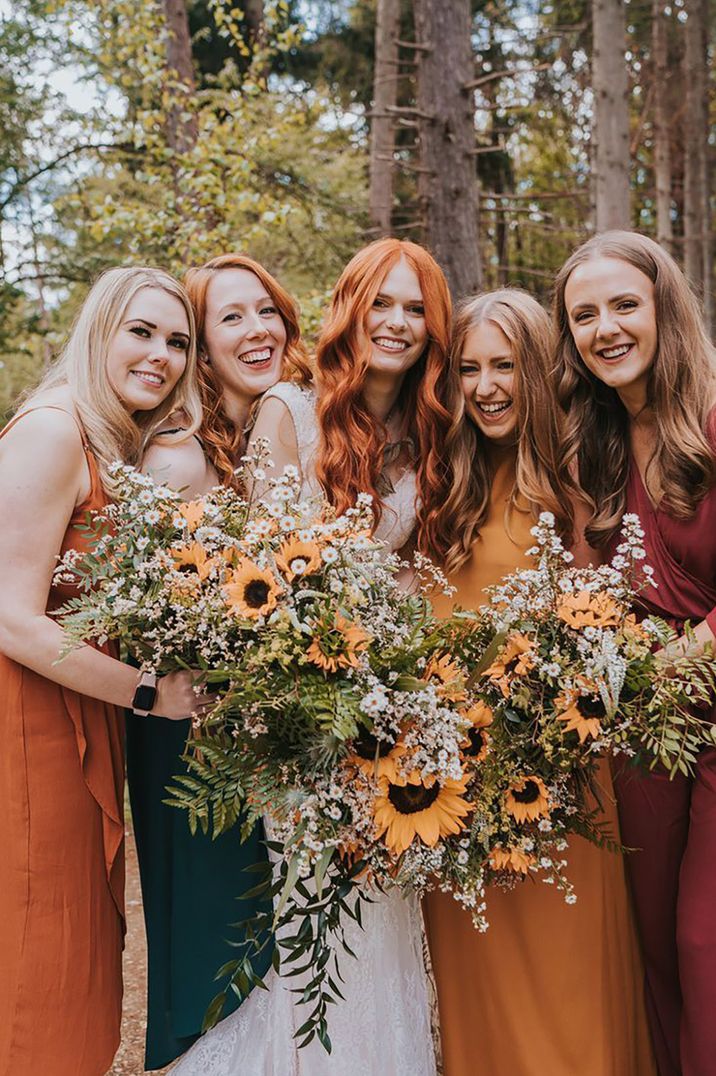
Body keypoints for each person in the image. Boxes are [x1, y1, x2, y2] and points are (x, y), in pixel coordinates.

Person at [170, 237, 453, 1076]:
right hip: (306, 717)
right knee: (315, 926)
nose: (396, 324)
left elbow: (413, 576)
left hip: (394, 717)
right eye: (382, 303)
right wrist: (329, 695)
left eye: (415, 309)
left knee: (384, 927)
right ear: (349, 308)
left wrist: (410, 691)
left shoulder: (428, 430)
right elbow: (269, 582)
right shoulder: (290, 411)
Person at [420, 288, 656, 1076]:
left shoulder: (578, 483)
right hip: (452, 788)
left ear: (540, 373)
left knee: (567, 995)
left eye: (506, 367)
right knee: (476, 995)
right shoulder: (442, 488)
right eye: (469, 368)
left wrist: (534, 734)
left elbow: (599, 635)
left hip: (552, 782)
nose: (486, 386)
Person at [0, 266, 205, 1076]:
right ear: (99, 332)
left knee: (80, 939)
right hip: (29, 725)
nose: (161, 355)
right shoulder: (52, 430)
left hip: (78, 712)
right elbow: (11, 615)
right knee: (38, 947)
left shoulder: (110, 442)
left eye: (178, 342)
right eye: (141, 331)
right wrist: (150, 693)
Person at [127, 253, 312, 1070]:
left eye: (265, 310)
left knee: (271, 934)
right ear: (201, 350)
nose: (257, 329)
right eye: (230, 318)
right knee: (219, 936)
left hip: (260, 720)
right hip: (191, 723)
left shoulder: (278, 430)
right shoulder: (178, 456)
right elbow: (169, 615)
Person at [555, 230, 716, 1076]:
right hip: (640, 733)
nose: (605, 328)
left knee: (704, 944)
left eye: (624, 305)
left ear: (664, 310)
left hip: (709, 711)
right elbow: (587, 593)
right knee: (652, 942)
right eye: (584, 315)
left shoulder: (715, 421)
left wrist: (675, 665)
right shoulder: (593, 445)